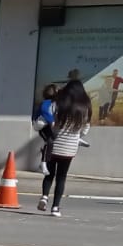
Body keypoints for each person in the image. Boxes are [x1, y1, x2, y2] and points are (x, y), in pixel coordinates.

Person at [37, 79, 91, 217]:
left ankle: (44, 197)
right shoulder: (84, 108)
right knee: (61, 177)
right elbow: (85, 129)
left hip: (54, 144)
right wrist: (76, 134)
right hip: (69, 148)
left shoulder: (57, 104)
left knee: (49, 174)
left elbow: (45, 119)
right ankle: (55, 208)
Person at [32, 84, 58, 174]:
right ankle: (43, 164)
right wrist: (52, 121)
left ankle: (43, 162)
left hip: (47, 126)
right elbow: (44, 110)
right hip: (42, 126)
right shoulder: (47, 102)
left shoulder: (54, 103)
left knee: (50, 142)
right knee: (49, 141)